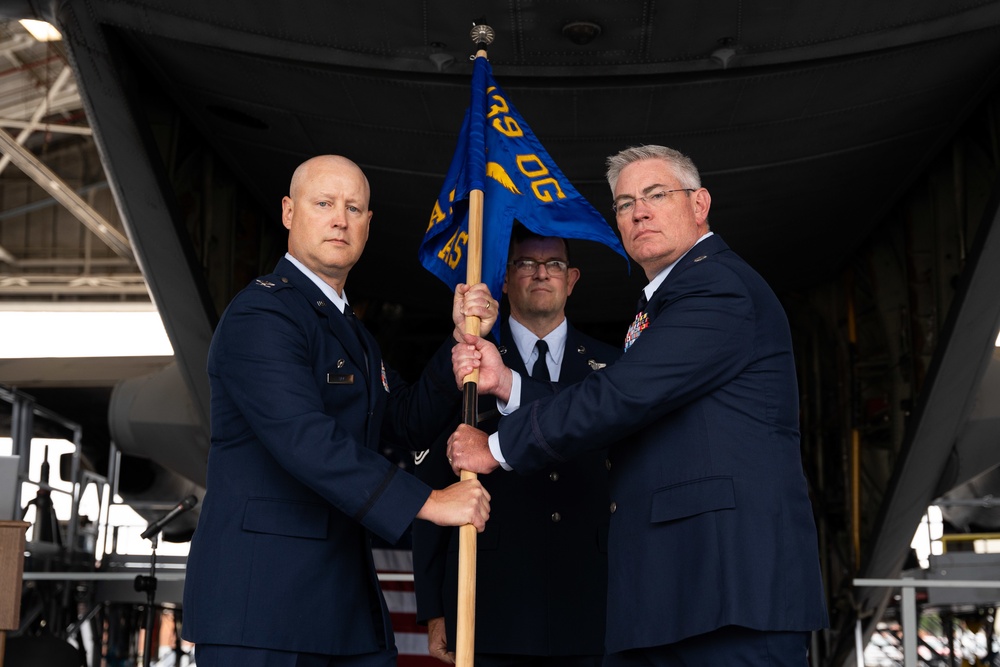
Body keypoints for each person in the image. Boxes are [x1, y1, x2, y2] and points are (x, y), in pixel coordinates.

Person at [447, 145, 829, 666]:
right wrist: (509, 383)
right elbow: (634, 403)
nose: (639, 212)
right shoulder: (672, 297)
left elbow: (623, 395)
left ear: (700, 205)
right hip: (676, 596)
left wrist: (496, 447)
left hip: (727, 589)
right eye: (625, 204)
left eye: (656, 195)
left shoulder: (718, 287)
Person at [182, 155, 496, 667]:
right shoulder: (262, 313)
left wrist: (460, 339)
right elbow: (305, 439)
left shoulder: (350, 330)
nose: (339, 218)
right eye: (324, 203)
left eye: (354, 208)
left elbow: (403, 420)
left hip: (341, 605)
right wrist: (431, 501)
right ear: (288, 212)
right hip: (262, 604)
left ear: (369, 225)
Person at [412, 225, 619, 666]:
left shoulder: (614, 368)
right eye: (527, 263)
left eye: (554, 265)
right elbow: (432, 486)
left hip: (592, 603)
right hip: (491, 603)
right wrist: (433, 608)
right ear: (505, 280)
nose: (541, 274)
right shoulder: (466, 362)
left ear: (573, 279)